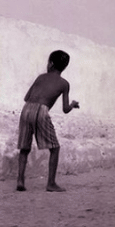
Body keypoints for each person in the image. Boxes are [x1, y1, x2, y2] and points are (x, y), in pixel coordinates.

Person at [16, 50, 79, 192]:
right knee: (55, 148)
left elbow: (26, 97)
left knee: (24, 147)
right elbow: (65, 109)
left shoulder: (40, 77)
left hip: (26, 109)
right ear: (64, 67)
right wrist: (73, 105)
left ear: (50, 63)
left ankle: (20, 180)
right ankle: (51, 183)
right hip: (41, 111)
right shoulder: (64, 84)